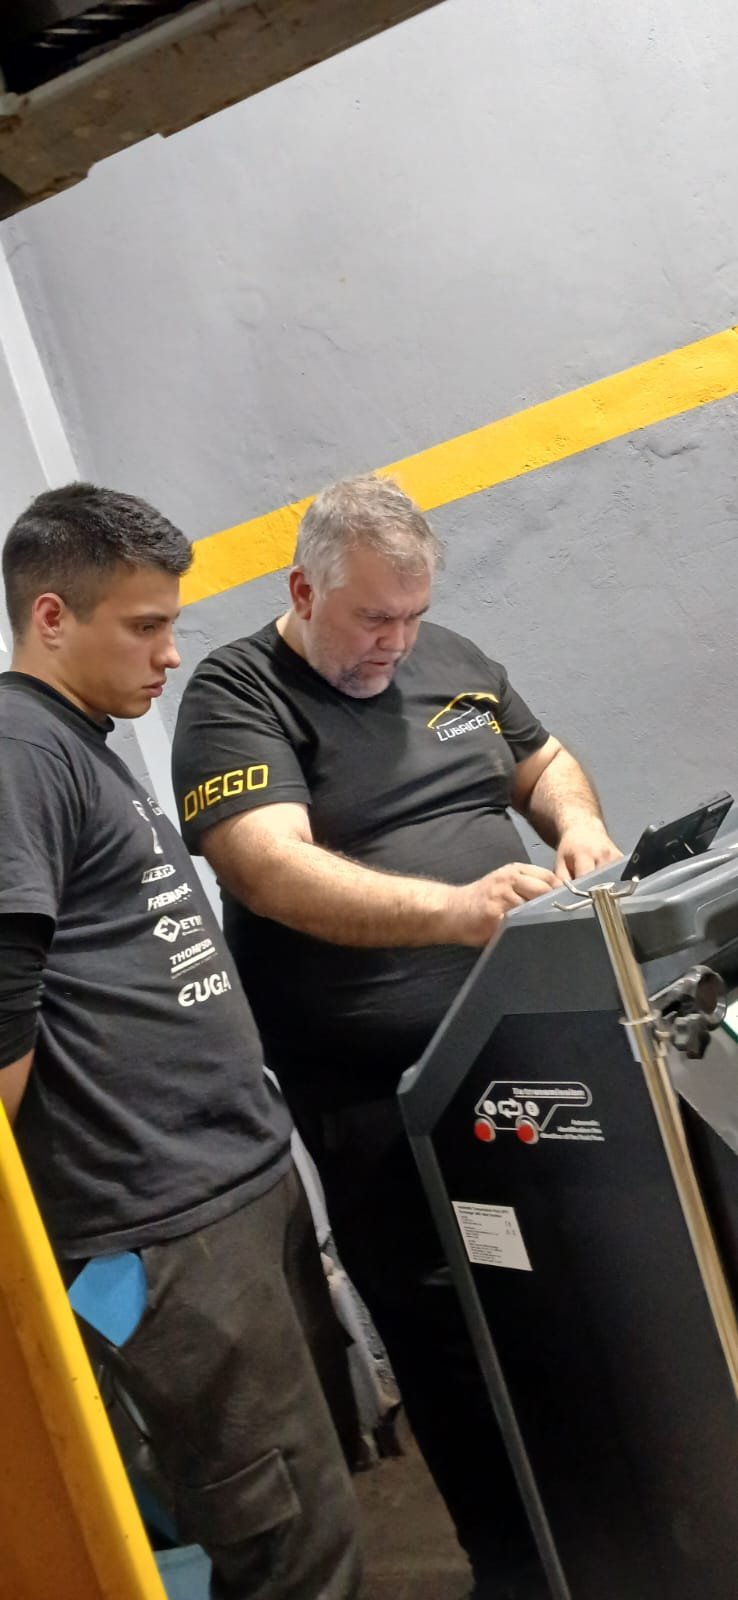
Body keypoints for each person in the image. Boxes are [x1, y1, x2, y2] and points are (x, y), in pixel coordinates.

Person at [172, 473, 622, 1600]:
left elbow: (543, 759)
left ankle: (621, 1536)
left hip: (516, 1058)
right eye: (374, 617)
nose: (397, 642)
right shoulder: (237, 693)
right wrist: (457, 911)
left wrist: (577, 825)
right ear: (302, 590)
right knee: (448, 1342)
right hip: (378, 1092)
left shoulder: (449, 660)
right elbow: (268, 868)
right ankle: (513, 1572)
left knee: (575, 1300)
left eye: (413, 615)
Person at [0, 483, 363, 1600]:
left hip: (229, 1192)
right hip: (161, 1227)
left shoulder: (79, 742)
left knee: (315, 1502)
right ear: (51, 616)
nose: (169, 654)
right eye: (145, 626)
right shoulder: (17, 747)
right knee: (285, 1541)